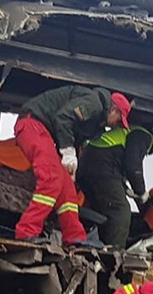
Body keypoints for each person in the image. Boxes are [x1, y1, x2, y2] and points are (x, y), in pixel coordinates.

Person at [13, 86, 131, 246]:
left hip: (43, 131)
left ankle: (74, 237)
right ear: (114, 110)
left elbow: (74, 136)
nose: (116, 125)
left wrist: (71, 165)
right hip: (32, 124)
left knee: (67, 188)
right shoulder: (94, 104)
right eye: (118, 120)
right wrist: (68, 152)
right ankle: (27, 231)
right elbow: (62, 118)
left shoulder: (96, 122)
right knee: (51, 178)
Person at [77, 124, 153, 248]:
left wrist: (126, 188)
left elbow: (118, 163)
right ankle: (115, 253)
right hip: (101, 164)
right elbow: (133, 166)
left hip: (88, 165)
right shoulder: (144, 136)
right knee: (120, 212)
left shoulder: (129, 133)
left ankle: (100, 247)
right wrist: (141, 191)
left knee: (103, 212)